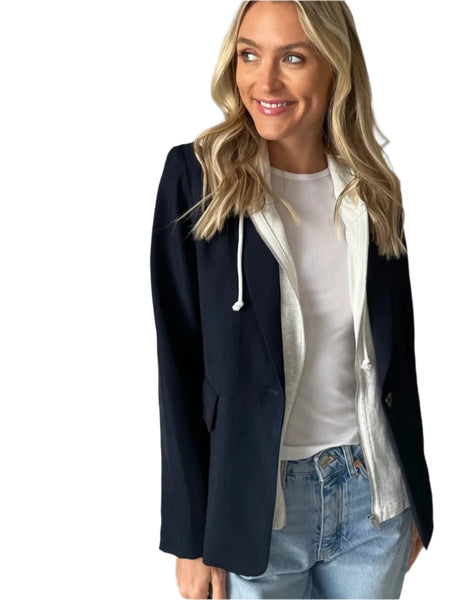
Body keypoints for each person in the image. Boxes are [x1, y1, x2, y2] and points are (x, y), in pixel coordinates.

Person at [150, 1, 433, 598]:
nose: (265, 81)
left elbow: (397, 357)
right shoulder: (199, 177)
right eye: (249, 55)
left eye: (294, 58)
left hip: (372, 503)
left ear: (335, 66)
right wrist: (190, 537)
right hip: (257, 509)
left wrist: (413, 494)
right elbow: (177, 362)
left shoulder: (373, 190)